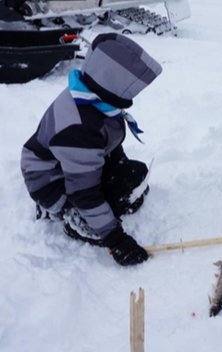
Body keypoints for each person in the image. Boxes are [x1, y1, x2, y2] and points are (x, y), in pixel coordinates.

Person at [20, 33, 162, 266]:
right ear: (113, 82)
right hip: (51, 181)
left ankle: (100, 208)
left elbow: (106, 142)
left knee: (135, 175)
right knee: (105, 204)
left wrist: (120, 167)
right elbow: (84, 193)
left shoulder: (93, 95)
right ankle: (72, 218)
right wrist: (116, 240)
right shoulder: (78, 129)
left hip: (73, 166)